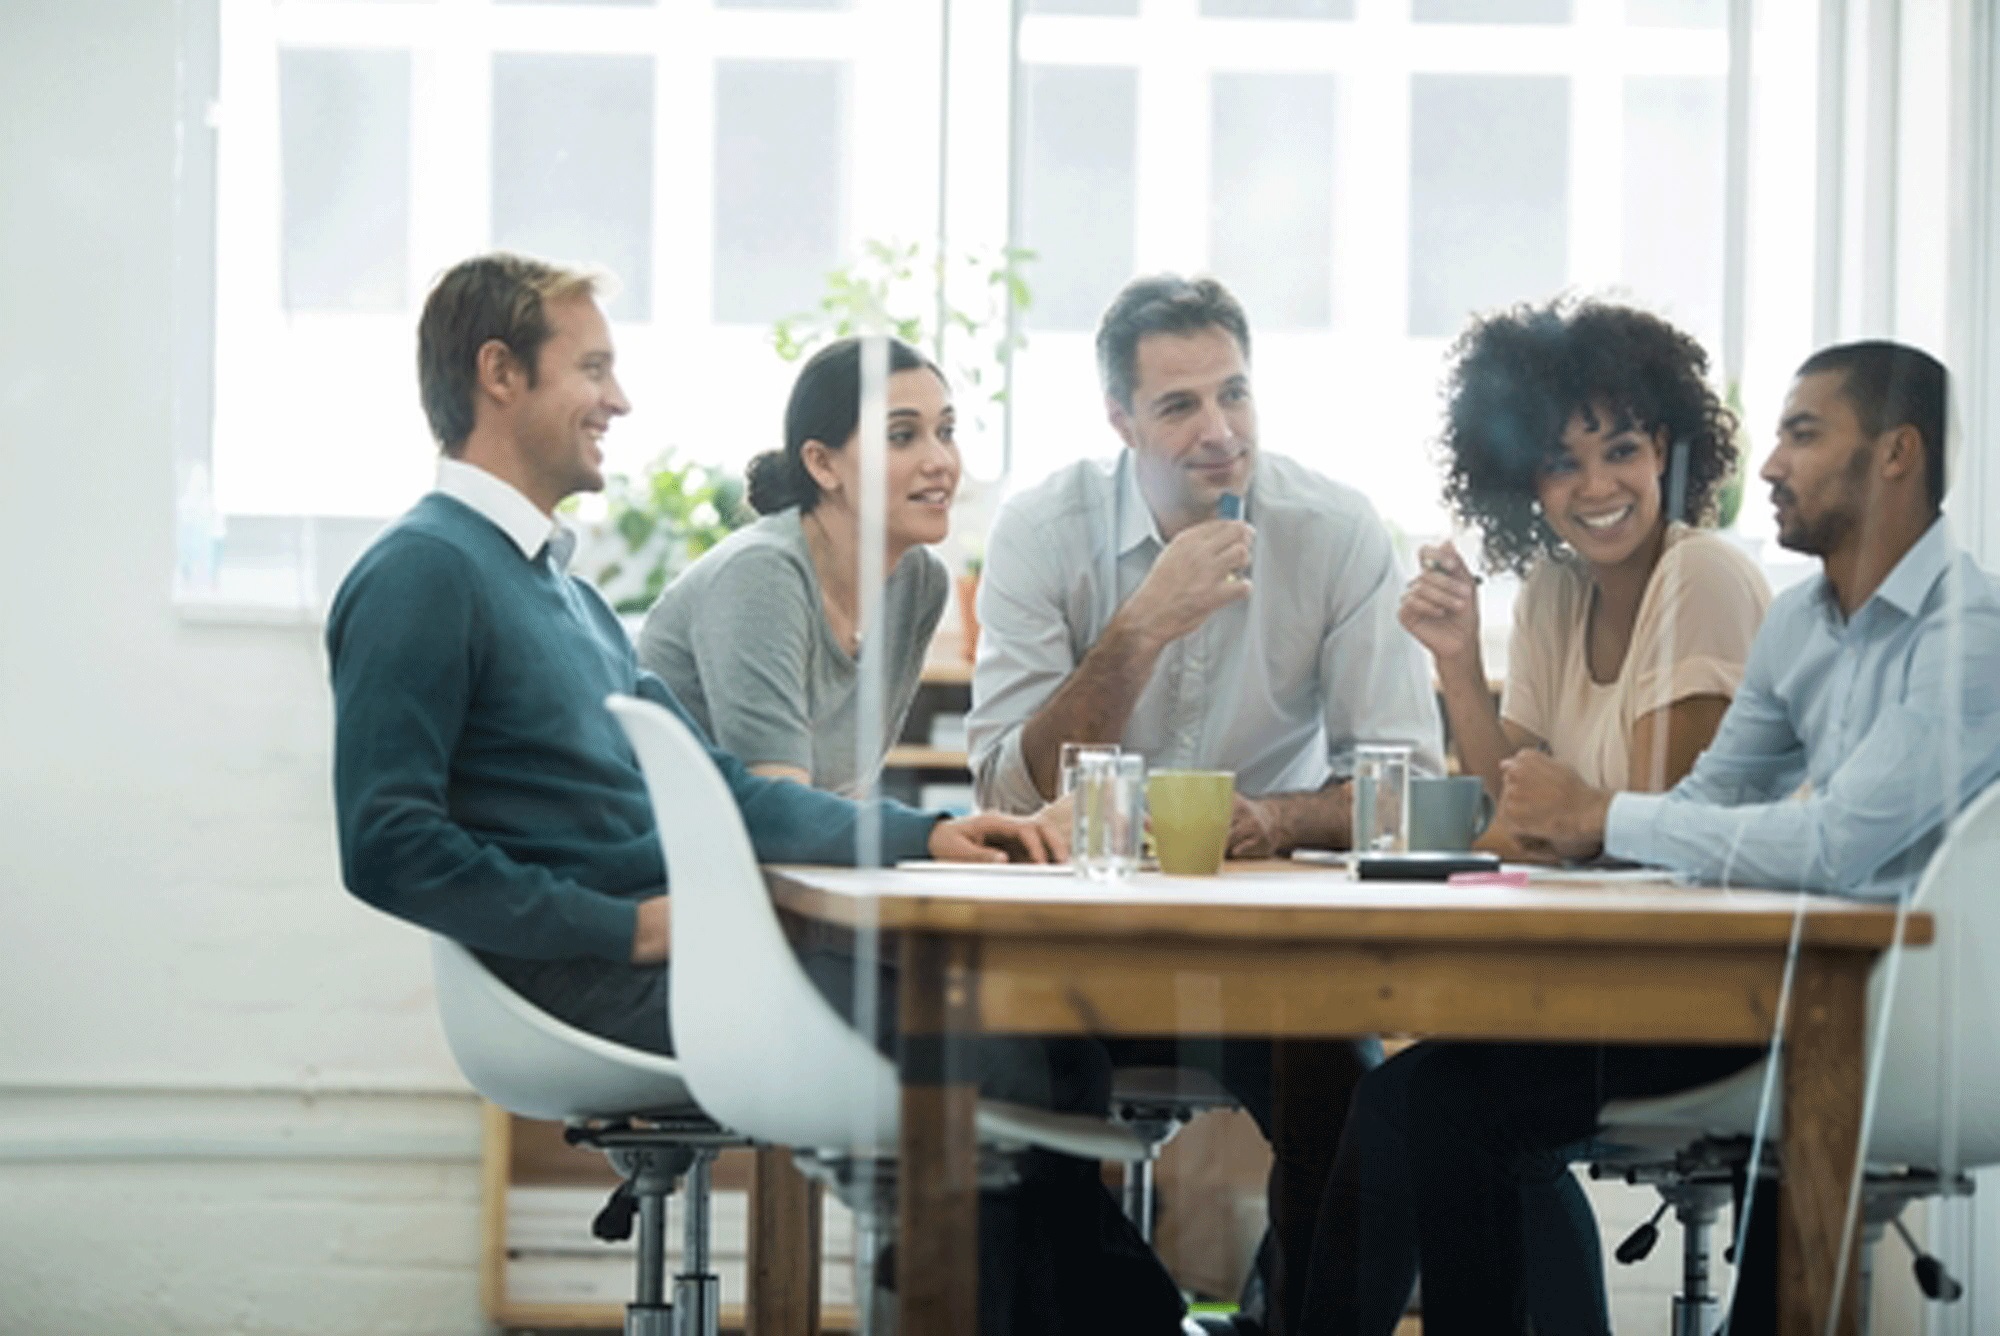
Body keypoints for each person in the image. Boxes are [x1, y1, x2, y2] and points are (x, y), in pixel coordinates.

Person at [326, 253, 1180, 1336]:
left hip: (671, 951)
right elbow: (387, 843)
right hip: (583, 977)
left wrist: (931, 834)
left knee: (1052, 1038)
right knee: (1000, 1048)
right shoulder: (423, 570)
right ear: (500, 373)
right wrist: (625, 926)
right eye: (592, 368)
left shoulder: (567, 595)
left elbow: (731, 790)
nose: (619, 399)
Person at [1335, 341, 2000, 1336]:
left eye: (1802, 434)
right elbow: (1699, 807)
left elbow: (1834, 846)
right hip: (1783, 999)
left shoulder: (1967, 633)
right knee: (1434, 1096)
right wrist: (1607, 819)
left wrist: (1600, 817)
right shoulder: (1803, 628)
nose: (1769, 464)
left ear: (1895, 454)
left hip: (1891, 1027)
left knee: (1447, 1102)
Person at [968, 273, 1441, 1336]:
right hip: (1071, 948)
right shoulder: (1043, 529)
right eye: (1178, 405)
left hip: (1261, 952)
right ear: (1120, 418)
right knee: (1004, 1116)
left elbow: (1396, 779)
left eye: (1234, 394)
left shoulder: (1332, 530)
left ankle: (1287, 1324)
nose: (1218, 432)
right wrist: (1139, 626)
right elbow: (1003, 788)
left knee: (1369, 1117)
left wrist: (1272, 821)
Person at [1301, 299, 1771, 1335]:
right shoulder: (1558, 590)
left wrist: (1561, 816)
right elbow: (1519, 796)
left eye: (1622, 449)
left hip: (1710, 996)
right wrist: (1459, 664)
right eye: (1562, 463)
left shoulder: (1699, 577)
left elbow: (1668, 830)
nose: (1596, 486)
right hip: (1600, 979)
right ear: (1525, 480)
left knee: (1437, 1109)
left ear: (1671, 451)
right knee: (1393, 1101)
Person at [639, 337, 955, 796]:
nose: (941, 461)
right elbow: (782, 807)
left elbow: (843, 797)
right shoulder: (761, 576)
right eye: (901, 436)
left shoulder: (918, 581)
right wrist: (932, 836)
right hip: (675, 861)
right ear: (823, 464)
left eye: (946, 432)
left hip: (782, 862)